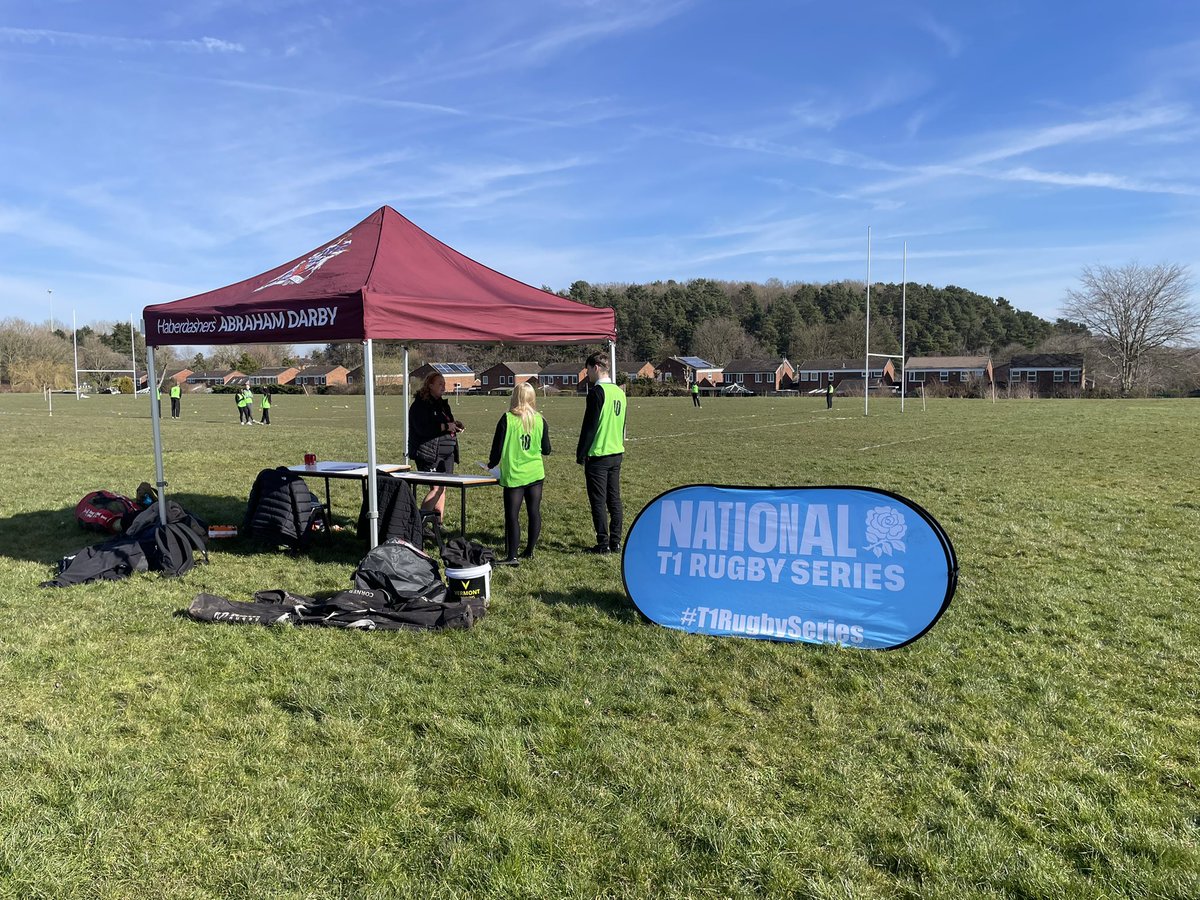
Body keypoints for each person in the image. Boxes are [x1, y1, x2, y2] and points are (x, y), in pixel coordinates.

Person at [487, 382, 551, 566]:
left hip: (514, 475)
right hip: (535, 473)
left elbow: (497, 448)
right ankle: (529, 550)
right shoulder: (540, 420)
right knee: (534, 512)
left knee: (512, 515)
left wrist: (490, 464)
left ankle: (512, 556)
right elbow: (546, 449)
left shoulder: (507, 419)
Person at [576, 352, 626, 554]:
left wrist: (581, 453)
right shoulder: (620, 392)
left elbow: (589, 427)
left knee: (598, 501)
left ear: (596, 367)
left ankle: (603, 543)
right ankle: (616, 542)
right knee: (614, 499)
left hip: (598, 455)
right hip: (616, 453)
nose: (587, 374)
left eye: (587, 370)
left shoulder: (597, 392)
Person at [408, 372, 464, 525]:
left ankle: (437, 524)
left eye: (444, 384)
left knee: (442, 488)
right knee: (436, 488)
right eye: (440, 383)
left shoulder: (443, 404)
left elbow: (447, 422)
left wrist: (455, 425)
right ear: (430, 385)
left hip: (448, 452)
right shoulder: (420, 405)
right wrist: (446, 426)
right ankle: (420, 524)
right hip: (430, 453)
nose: (443, 387)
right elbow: (422, 428)